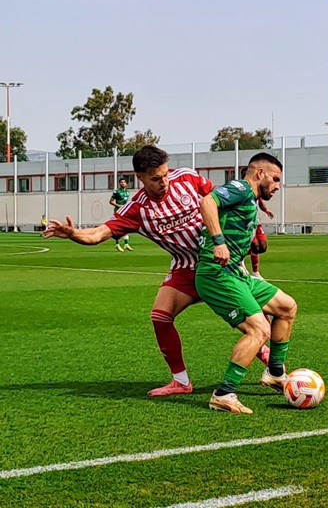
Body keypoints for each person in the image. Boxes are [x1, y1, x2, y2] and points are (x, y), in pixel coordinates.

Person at [44, 146, 270, 396]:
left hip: (219, 263)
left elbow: (226, 199)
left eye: (165, 174)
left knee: (251, 324)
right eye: (155, 178)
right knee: (160, 317)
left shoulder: (187, 178)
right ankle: (181, 381)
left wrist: (255, 223)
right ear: (140, 177)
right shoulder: (137, 209)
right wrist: (73, 234)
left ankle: (274, 370)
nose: (164, 181)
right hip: (185, 268)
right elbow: (98, 234)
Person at [196, 153, 298, 414]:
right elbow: (207, 201)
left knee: (287, 307)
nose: (277, 186)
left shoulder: (249, 197)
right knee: (259, 330)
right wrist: (219, 242)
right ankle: (224, 393)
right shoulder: (241, 187)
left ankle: (275, 373)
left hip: (237, 274)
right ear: (259, 173)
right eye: (275, 179)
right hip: (217, 274)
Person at [110, 178, 133, 252]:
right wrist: (119, 205)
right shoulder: (116, 191)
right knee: (117, 228)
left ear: (126, 184)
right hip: (118, 211)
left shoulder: (127, 192)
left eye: (124, 182)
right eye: (121, 182)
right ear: (119, 184)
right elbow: (111, 201)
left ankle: (126, 244)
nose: (122, 183)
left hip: (125, 211)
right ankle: (117, 244)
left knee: (126, 227)